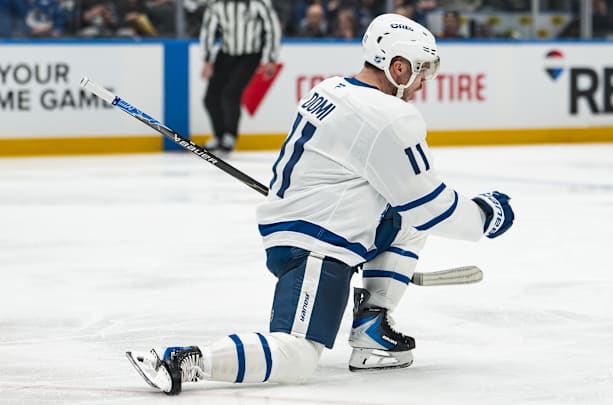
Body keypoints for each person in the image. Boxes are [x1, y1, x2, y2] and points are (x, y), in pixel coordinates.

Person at [127, 13, 515, 395]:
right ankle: (183, 359)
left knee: (405, 216)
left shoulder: (331, 88)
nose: (423, 83)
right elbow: (434, 209)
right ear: (398, 68)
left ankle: (371, 327)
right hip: (316, 242)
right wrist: (485, 215)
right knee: (296, 356)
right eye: (420, 71)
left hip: (307, 223)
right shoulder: (388, 115)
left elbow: (413, 205)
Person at [200, 0, 281, 155]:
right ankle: (219, 135)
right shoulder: (216, 4)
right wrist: (207, 59)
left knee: (230, 94)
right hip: (226, 54)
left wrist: (271, 58)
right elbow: (207, 30)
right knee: (210, 98)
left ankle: (230, 135)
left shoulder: (259, 3)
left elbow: (272, 28)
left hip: (250, 55)